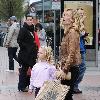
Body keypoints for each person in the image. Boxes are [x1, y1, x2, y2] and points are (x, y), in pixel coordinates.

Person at [57, 9, 81, 100]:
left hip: (71, 68)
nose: (63, 17)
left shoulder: (72, 32)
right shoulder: (67, 31)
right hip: (67, 67)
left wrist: (65, 69)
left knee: (66, 96)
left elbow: (71, 53)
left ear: (72, 19)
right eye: (63, 15)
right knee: (65, 96)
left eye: (66, 15)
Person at [17, 15, 38, 92]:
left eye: (31, 20)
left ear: (32, 21)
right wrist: (27, 47)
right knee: (24, 70)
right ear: (25, 21)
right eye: (28, 20)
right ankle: (22, 86)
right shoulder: (23, 29)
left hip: (32, 54)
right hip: (25, 54)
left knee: (32, 70)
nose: (29, 21)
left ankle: (28, 85)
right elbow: (19, 41)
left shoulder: (32, 29)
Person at [73, 8, 87, 94]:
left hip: (81, 49)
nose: (81, 15)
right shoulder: (74, 24)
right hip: (77, 50)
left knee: (80, 68)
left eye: (82, 13)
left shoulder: (81, 23)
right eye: (80, 14)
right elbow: (79, 34)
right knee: (81, 67)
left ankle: (74, 85)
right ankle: (74, 85)